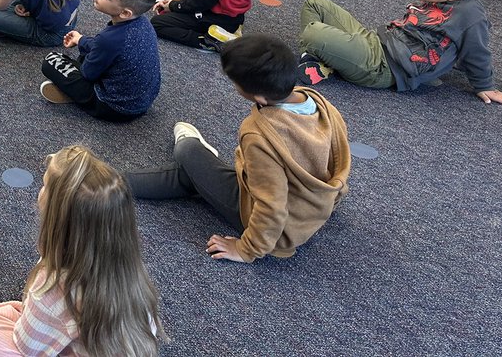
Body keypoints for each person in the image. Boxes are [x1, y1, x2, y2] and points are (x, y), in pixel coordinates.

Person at [126, 35, 351, 262]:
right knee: (195, 174)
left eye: (235, 83)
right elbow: (340, 160)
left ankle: (108, 182)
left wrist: (246, 250)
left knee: (187, 153)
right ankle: (113, 182)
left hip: (277, 230)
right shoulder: (320, 103)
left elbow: (271, 206)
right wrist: (329, 202)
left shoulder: (259, 134)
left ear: (259, 97)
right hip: (311, 210)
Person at [0, 145, 163, 357]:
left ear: (58, 217)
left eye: (45, 185)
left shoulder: (55, 286)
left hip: (46, 334)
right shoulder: (133, 277)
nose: (40, 190)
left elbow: (27, 348)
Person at [297, 0, 502, 105]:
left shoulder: (471, 17)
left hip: (383, 69)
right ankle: (318, 61)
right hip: (378, 41)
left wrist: (485, 86)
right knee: (315, 3)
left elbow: (477, 53)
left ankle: (323, 60)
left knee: (313, 33)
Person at [41, 0, 161, 121]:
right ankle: (73, 91)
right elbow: (104, 47)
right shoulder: (143, 23)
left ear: (125, 13)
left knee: (50, 60)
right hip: (141, 102)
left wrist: (86, 49)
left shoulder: (109, 39)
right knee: (89, 51)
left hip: (112, 107)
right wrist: (81, 40)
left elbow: (88, 73)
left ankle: (75, 96)